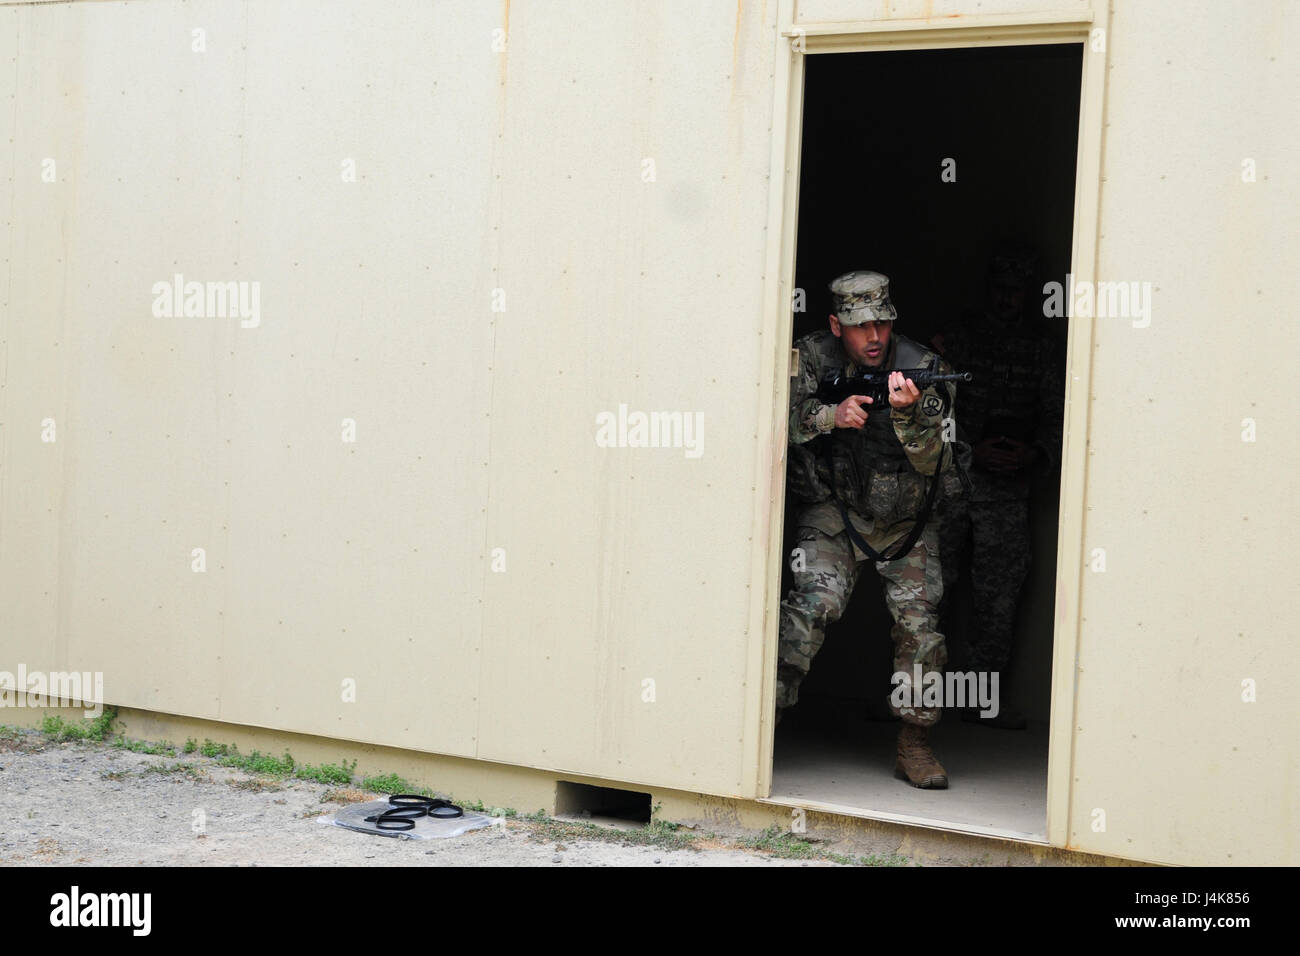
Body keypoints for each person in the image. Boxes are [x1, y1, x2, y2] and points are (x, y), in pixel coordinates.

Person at [778, 270, 964, 789]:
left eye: (883, 323)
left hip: (907, 521)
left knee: (921, 632)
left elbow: (937, 464)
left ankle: (915, 744)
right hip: (836, 512)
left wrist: (908, 420)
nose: (875, 337)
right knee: (812, 609)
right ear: (837, 326)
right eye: (861, 327)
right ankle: (761, 722)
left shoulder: (926, 370)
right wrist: (827, 416)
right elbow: (773, 418)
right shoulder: (810, 357)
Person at [931, 246, 1065, 730]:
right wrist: (970, 448)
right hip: (952, 481)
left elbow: (1057, 418)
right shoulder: (958, 339)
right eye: (1001, 290)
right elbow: (931, 410)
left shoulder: (1041, 349)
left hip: (1008, 489)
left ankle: (981, 703)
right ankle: (920, 700)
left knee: (998, 596)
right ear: (990, 290)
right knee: (928, 590)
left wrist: (1030, 455)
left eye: (1017, 291)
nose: (1008, 300)